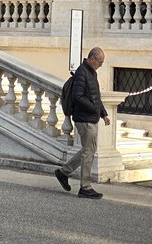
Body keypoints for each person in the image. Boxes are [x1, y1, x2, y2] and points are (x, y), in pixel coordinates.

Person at [54, 46, 110, 199]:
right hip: (84, 118)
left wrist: (103, 113)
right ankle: (85, 187)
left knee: (88, 150)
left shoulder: (92, 73)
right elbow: (77, 96)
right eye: (100, 62)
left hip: (90, 117)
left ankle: (63, 172)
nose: (101, 65)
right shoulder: (81, 73)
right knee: (88, 152)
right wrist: (94, 109)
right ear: (92, 59)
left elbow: (96, 96)